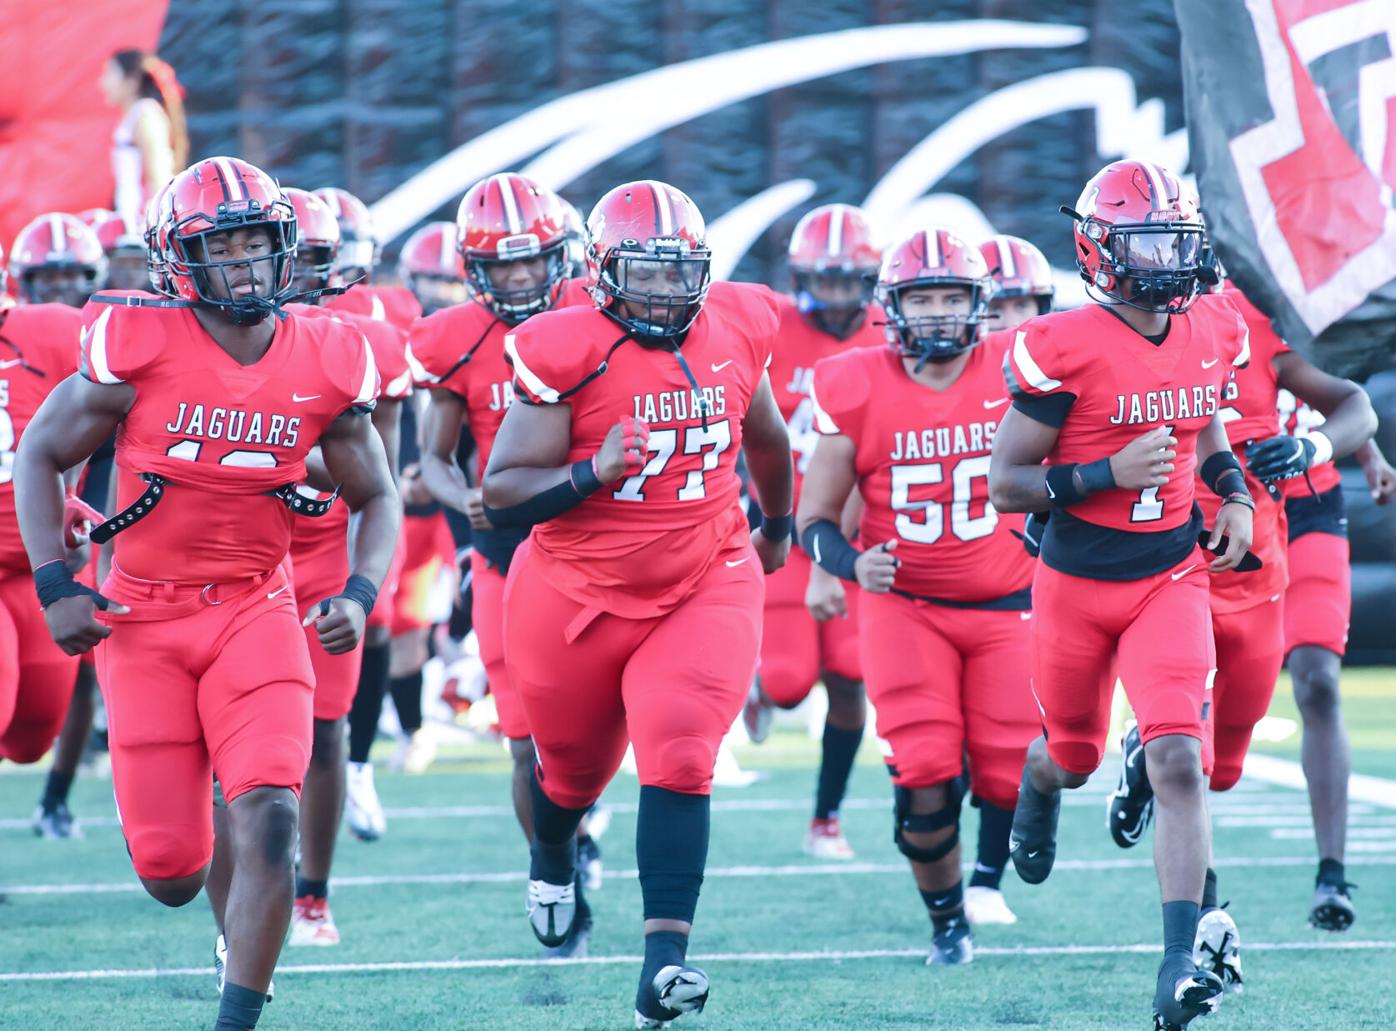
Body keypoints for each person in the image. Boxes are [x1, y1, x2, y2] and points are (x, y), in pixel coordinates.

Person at [14, 156, 400, 1031]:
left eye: (257, 246)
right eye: (219, 249)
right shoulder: (136, 340)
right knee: (171, 870)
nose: (244, 268)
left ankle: (237, 1016)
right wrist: (54, 582)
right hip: (141, 615)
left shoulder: (333, 353)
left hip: (258, 608)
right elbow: (40, 451)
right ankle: (200, 895)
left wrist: (364, 588)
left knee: (268, 814)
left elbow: (377, 494)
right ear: (178, 262)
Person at [482, 180, 792, 1027]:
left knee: (683, 752)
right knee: (570, 773)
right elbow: (503, 492)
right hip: (575, 593)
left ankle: (663, 964)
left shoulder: (738, 322)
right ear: (605, 273)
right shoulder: (563, 346)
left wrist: (781, 521)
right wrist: (591, 472)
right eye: (648, 274)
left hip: (706, 573)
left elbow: (765, 434)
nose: (667, 291)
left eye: (679, 272)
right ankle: (553, 854)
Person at [987, 159, 1252, 1031]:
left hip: (1169, 574)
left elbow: (1206, 418)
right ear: (1101, 249)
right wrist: (1101, 471)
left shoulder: (1210, 325)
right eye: (1149, 240)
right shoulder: (1062, 343)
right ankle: (1039, 780)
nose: (1170, 258)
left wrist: (1236, 494)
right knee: (1069, 755)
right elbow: (1006, 483)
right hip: (1074, 582)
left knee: (1182, 758)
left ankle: (1178, 963)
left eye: (1178, 238)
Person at [1106, 281, 1376, 991]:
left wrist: (1348, 453)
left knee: (1284, 705)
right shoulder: (1139, 326)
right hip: (1186, 530)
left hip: (1287, 504)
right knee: (1182, 745)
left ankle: (1332, 873)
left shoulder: (1273, 306)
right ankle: (1192, 921)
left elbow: (1343, 396)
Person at [798, 226, 1039, 965]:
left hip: (1012, 603)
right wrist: (847, 562)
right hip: (908, 609)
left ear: (981, 302)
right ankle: (947, 922)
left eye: (950, 297)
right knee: (926, 771)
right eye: (922, 298)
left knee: (1007, 767)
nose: (937, 313)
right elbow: (812, 517)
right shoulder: (854, 380)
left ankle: (993, 874)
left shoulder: (1021, 367)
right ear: (894, 306)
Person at [410, 172, 593, 952]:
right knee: (525, 735)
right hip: (508, 552)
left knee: (598, 729)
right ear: (472, 268)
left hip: (599, 541)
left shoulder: (599, 311)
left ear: (562, 256)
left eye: (532, 262)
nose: (520, 279)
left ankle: (576, 828)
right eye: (503, 266)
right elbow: (435, 457)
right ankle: (551, 860)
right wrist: (467, 498)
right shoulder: (455, 337)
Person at [740, 203, 881, 862]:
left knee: (851, 673)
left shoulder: (889, 330)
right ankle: (762, 688)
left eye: (847, 280)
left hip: (856, 526)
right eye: (822, 280)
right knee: (795, 679)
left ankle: (826, 816)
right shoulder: (771, 323)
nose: (835, 295)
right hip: (785, 526)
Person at [0, 251, 87, 785]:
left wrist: (77, 489)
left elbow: (121, 404)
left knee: (33, 736)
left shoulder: (52, 329)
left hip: (37, 564)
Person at [100, 49, 188, 230]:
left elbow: (159, 175)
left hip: (145, 227)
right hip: (133, 223)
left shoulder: (146, 115)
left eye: (110, 74)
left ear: (131, 82)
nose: (103, 83)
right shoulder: (134, 116)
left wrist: (158, 227)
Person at [316, 187, 423, 333]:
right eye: (316, 255)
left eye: (347, 253)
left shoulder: (395, 305)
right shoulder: (396, 306)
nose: (337, 270)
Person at [8, 213, 107, 308]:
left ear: (89, 276)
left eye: (70, 275)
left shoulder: (108, 322)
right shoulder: (10, 322)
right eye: (48, 277)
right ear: (28, 280)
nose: (60, 285)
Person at [80, 209, 151, 292]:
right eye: (121, 264)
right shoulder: (82, 300)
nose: (130, 274)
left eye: (138, 265)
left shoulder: (163, 301)